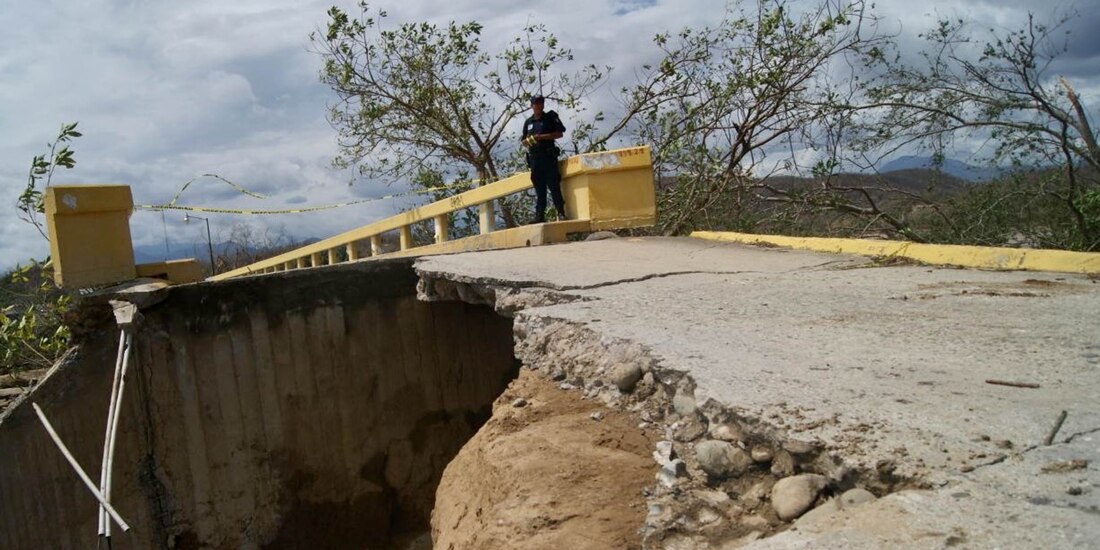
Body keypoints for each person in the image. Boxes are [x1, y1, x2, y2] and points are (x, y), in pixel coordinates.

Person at [521, 95, 567, 223]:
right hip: (535, 159)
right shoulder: (528, 122)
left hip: (548, 157)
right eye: (536, 103)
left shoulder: (550, 117)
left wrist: (541, 137)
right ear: (532, 105)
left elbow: (559, 133)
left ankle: (561, 212)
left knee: (554, 186)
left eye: (541, 103)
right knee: (539, 189)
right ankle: (539, 216)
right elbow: (523, 140)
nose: (539, 105)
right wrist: (527, 141)